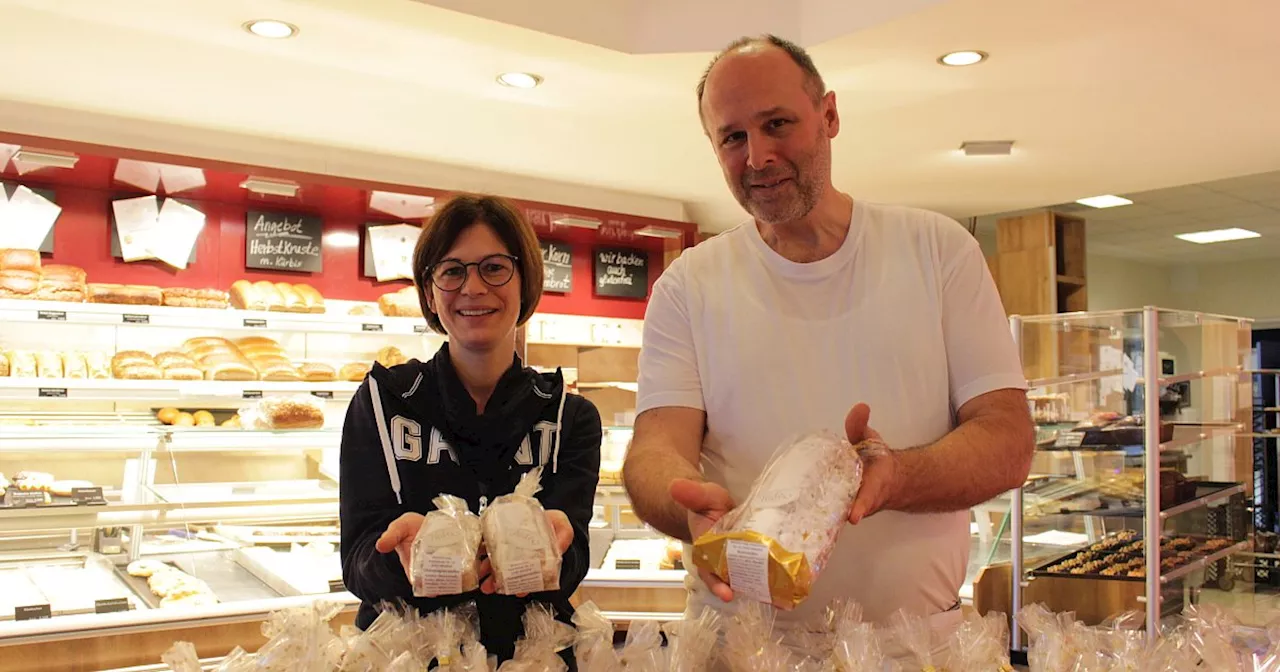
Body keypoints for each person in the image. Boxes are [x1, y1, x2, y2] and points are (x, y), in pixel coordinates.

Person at [623, 34, 1036, 648]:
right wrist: (684, 507)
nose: (757, 156)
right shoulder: (689, 284)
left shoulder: (938, 251)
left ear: (830, 115)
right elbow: (655, 450)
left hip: (916, 648)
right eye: (732, 137)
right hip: (741, 646)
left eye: (777, 124)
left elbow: (1008, 440)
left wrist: (898, 477)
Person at [339, 194, 602, 667]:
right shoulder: (384, 401)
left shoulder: (569, 416)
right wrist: (400, 560)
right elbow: (356, 562)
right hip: (406, 658)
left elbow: (575, 555)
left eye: (494, 267)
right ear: (430, 292)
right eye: (452, 270)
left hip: (533, 657)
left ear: (526, 282)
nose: (473, 287)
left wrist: (558, 553)